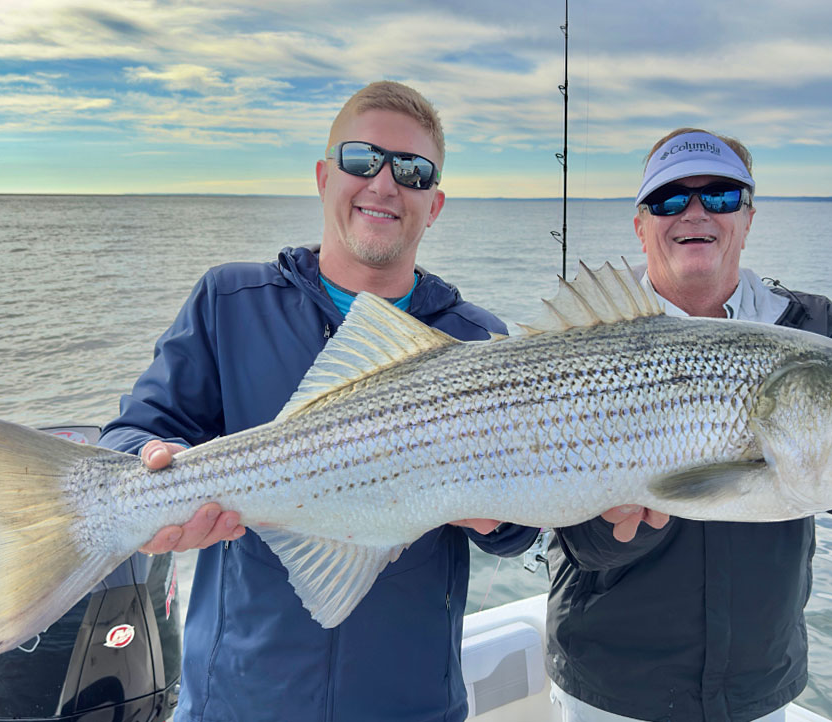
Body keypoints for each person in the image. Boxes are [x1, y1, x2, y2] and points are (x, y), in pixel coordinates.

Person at [98, 80, 539, 722]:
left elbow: (522, 528)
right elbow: (136, 431)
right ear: (323, 176)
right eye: (362, 159)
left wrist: (497, 515)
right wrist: (151, 462)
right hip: (239, 701)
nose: (384, 184)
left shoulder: (473, 339)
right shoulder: (229, 302)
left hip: (410, 705)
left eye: (413, 172)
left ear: (435, 204)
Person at [544, 128, 832, 722]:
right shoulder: (581, 346)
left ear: (748, 218)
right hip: (610, 680)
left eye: (721, 196)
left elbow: (820, 471)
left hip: (758, 680)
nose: (695, 212)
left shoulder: (812, 329)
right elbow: (574, 537)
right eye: (669, 199)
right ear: (641, 226)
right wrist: (621, 524)